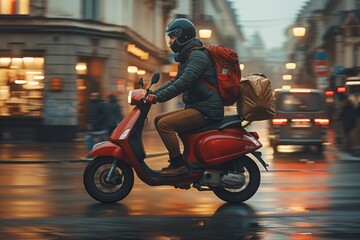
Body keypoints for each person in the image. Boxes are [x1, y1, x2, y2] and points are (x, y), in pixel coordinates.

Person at [145, 18, 224, 176]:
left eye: (173, 37)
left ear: (183, 36)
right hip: (198, 107)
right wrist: (153, 93)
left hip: (206, 110)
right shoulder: (188, 56)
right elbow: (175, 80)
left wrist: (158, 97)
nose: (171, 41)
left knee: (164, 125)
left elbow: (183, 82)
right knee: (158, 119)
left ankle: (178, 164)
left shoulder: (197, 57)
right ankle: (184, 159)